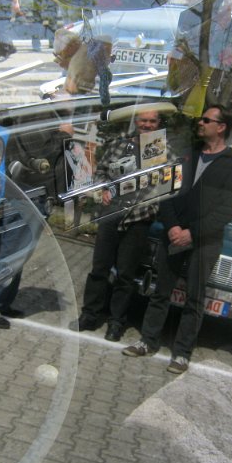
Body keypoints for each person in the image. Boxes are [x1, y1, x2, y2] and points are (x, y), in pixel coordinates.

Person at [122, 105, 232, 374]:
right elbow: (167, 192)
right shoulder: (188, 156)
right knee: (161, 292)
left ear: (221, 127)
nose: (200, 123)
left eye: (206, 120)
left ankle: (181, 354)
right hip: (174, 235)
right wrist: (173, 226)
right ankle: (147, 341)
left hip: (205, 242)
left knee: (194, 300)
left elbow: (226, 210)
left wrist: (192, 232)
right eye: (201, 119)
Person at [69, 110, 165, 342]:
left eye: (152, 121)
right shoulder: (118, 145)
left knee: (125, 275)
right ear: (137, 121)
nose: (147, 125)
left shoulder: (163, 151)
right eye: (143, 120)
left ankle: (116, 322)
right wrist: (104, 189)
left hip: (138, 220)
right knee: (99, 269)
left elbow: (163, 187)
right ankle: (90, 314)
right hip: (110, 215)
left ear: (159, 123)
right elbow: (101, 171)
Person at [0, 190, 43, 329]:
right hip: (26, 199)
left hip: (33, 200)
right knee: (11, 256)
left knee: (19, 257)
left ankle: (1, 303)